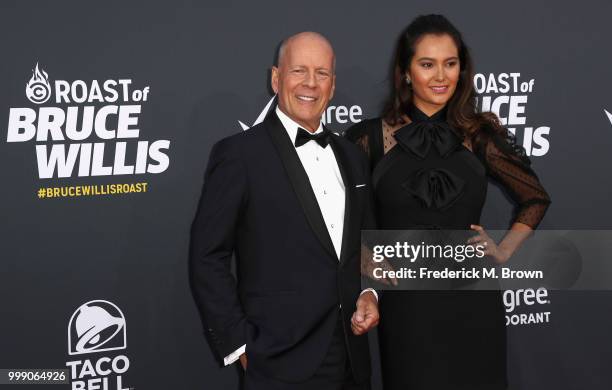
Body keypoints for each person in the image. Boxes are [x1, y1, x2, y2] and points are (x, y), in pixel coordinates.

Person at [346, 15, 551, 390]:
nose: (441, 76)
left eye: (450, 63)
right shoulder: (368, 138)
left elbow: (535, 197)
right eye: (427, 64)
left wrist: (503, 250)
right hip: (407, 306)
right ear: (406, 72)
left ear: (462, 68)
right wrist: (361, 252)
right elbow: (337, 213)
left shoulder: (479, 135)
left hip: (474, 300)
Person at [189, 32, 379, 390]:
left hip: (353, 359)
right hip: (278, 362)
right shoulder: (240, 155)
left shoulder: (353, 156)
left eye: (322, 73)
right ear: (276, 78)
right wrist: (239, 344)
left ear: (333, 85)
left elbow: (364, 243)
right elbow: (207, 255)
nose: (310, 83)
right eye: (299, 71)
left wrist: (370, 293)